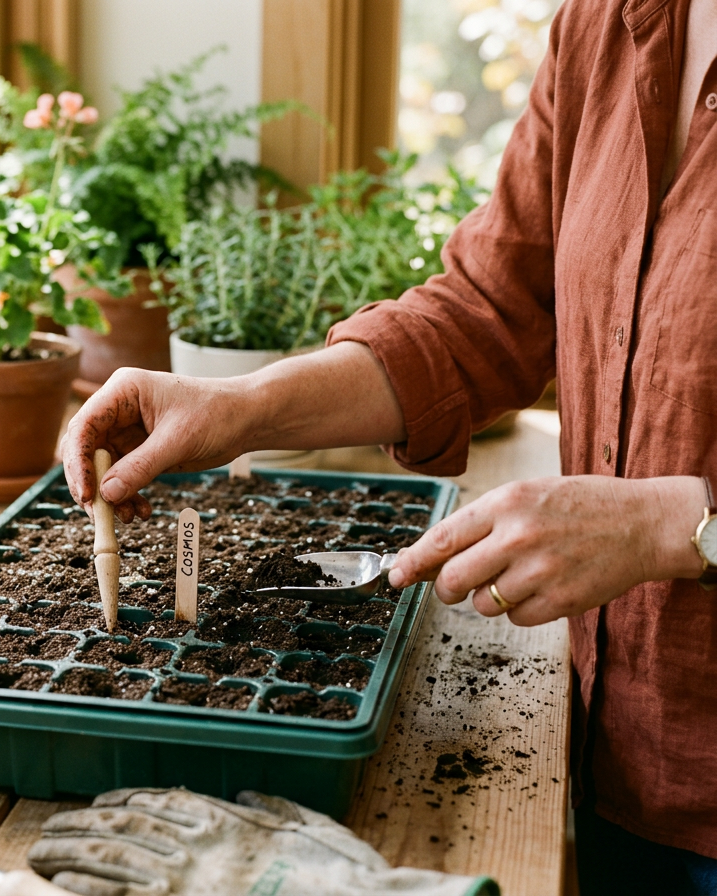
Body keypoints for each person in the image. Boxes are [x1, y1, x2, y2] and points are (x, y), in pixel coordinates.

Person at [60, 1, 717, 894]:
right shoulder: (604, 23)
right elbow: (489, 312)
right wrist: (243, 405)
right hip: (609, 751)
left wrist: (672, 525)